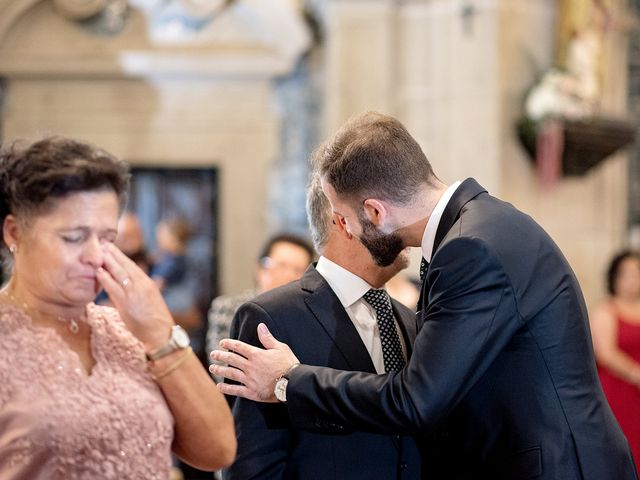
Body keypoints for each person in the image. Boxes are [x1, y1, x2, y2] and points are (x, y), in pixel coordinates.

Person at [211, 112, 637, 479]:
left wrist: (289, 378)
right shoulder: (481, 227)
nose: (344, 229)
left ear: (374, 212)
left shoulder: (470, 248)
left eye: (345, 217)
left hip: (555, 466)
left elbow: (417, 400)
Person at [0, 136, 236, 478]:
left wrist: (160, 332)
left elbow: (218, 448)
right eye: (74, 237)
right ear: (14, 232)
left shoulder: (127, 331)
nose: (96, 256)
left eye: (108, 239)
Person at [224, 174, 421, 479]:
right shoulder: (271, 317)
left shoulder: (409, 320)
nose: (407, 222)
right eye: (385, 208)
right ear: (343, 223)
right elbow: (253, 466)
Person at [206, 233, 313, 361]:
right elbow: (221, 364)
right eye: (282, 266)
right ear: (261, 269)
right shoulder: (228, 307)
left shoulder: (308, 315)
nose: (289, 276)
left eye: (298, 270)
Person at [591, 250, 640, 467]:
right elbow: (606, 353)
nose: (632, 280)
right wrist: (635, 374)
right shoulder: (606, 310)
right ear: (614, 278)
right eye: (626, 274)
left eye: (636, 274)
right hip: (618, 392)